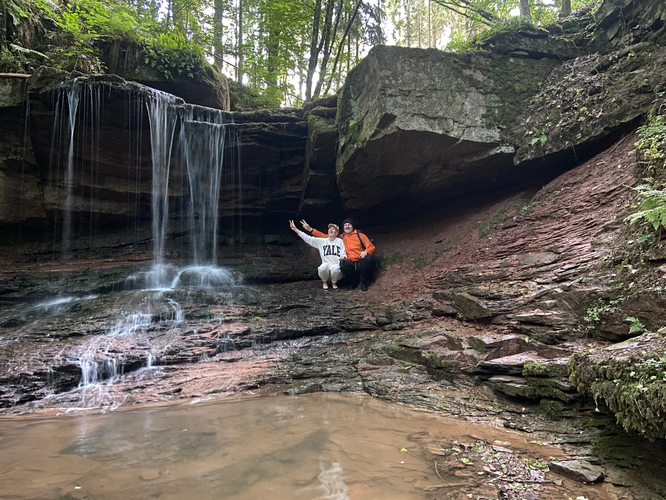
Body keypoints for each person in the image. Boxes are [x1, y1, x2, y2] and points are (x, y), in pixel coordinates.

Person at [301, 218, 376, 291]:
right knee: (343, 263)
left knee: (369, 258)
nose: (347, 226)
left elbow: (371, 247)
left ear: (353, 226)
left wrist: (365, 252)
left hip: (360, 262)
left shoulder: (360, 235)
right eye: (345, 225)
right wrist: (310, 230)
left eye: (349, 225)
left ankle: (363, 282)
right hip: (349, 264)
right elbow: (325, 236)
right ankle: (352, 282)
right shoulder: (341, 238)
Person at [289, 220, 347, 290]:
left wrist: (343, 257)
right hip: (326, 264)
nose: (331, 230)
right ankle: (324, 282)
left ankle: (334, 282)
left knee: (337, 268)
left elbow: (343, 253)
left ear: (337, 232)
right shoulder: (322, 241)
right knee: (323, 267)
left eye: (333, 229)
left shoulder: (340, 241)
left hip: (335, 265)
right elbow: (308, 239)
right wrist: (295, 229)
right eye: (330, 229)